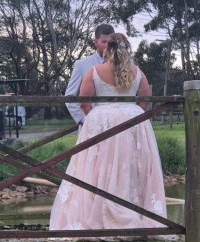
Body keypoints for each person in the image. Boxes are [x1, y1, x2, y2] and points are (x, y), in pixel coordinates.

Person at [49, 33, 167, 230]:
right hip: (132, 123)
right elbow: (145, 101)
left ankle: (97, 214)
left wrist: (96, 117)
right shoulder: (138, 72)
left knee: (95, 168)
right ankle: (134, 212)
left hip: (102, 123)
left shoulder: (95, 70)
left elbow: (84, 101)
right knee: (131, 167)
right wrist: (130, 113)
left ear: (107, 49)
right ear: (126, 49)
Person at [65, 23, 115, 126]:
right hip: (91, 126)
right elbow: (70, 97)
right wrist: (84, 120)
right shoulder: (81, 65)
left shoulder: (122, 65)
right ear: (95, 42)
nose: (107, 45)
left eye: (110, 42)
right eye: (104, 42)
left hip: (117, 124)